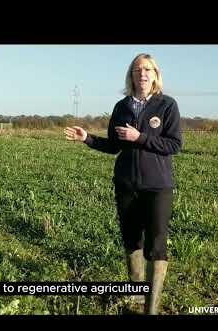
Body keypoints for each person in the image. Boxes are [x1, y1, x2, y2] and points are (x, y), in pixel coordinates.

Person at [64, 53, 182, 315]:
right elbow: (113, 146)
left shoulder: (167, 106)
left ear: (155, 75)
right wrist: (87, 139)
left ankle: (151, 309)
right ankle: (138, 295)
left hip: (157, 186)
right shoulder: (122, 107)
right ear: (131, 76)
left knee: (157, 244)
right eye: (137, 70)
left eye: (148, 70)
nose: (142, 74)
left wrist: (140, 137)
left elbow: (174, 145)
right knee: (131, 240)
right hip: (126, 184)